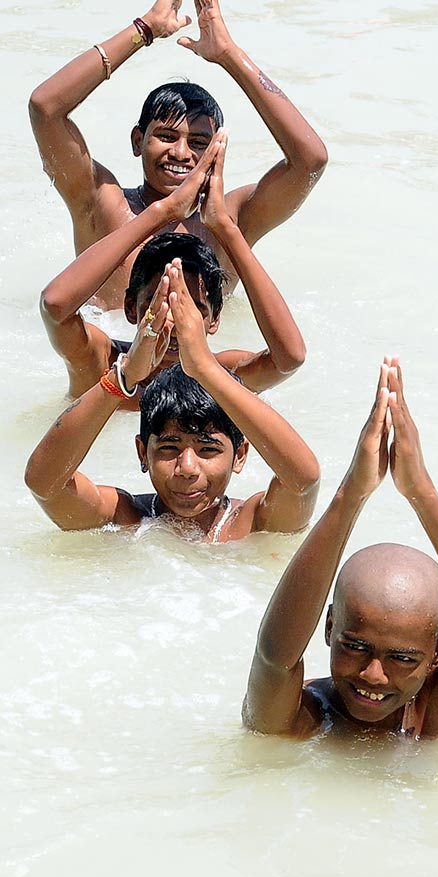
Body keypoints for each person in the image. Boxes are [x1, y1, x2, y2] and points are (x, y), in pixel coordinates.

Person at [243, 360, 438, 739]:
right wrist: (349, 496)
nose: (374, 674)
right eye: (355, 646)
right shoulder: (301, 716)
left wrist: (422, 492)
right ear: (328, 627)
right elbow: (275, 658)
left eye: (403, 658)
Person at [29, 0, 328, 310]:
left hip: (200, 359)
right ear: (137, 141)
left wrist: (229, 55)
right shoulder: (104, 204)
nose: (181, 153)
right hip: (114, 356)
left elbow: (310, 161)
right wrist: (142, 30)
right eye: (167, 136)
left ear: (217, 150)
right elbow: (45, 108)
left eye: (199, 142)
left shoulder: (230, 220)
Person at [25, 253, 320, 540]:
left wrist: (206, 368)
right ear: (143, 453)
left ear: (239, 456)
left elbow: (303, 481)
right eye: (168, 448)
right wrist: (123, 376)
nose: (187, 468)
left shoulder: (252, 522)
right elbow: (45, 484)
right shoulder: (127, 518)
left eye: (208, 449)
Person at [41, 130, 306, 408]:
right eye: (161, 306)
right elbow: (54, 305)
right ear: (131, 308)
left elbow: (290, 358)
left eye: (194, 309)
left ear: (215, 320)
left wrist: (225, 228)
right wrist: (164, 211)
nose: (174, 325)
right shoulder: (101, 364)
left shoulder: (220, 376)